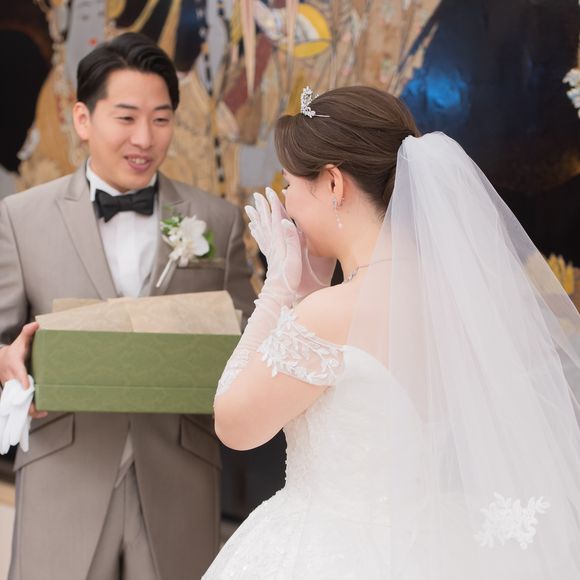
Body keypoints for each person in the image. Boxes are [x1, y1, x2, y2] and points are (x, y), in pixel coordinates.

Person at [203, 86, 580, 578]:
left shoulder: (330, 313)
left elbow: (234, 425)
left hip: (330, 551)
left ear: (333, 183)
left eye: (290, 183)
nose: (287, 201)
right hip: (436, 545)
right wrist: (309, 291)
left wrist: (279, 290)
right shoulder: (456, 296)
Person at [0, 33, 255, 580]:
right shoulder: (21, 218)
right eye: (126, 117)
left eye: (161, 119)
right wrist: (6, 364)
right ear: (83, 119)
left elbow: (246, 342)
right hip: (65, 468)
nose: (145, 138)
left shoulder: (216, 220)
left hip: (178, 474)